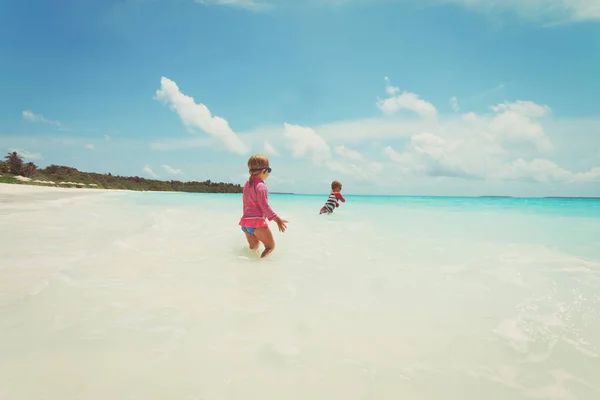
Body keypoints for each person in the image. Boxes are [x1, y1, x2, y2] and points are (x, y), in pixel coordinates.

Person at [239, 154, 288, 258]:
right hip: (257, 223)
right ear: (264, 171)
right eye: (269, 170)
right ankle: (260, 269)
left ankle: (249, 267)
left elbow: (245, 204)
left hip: (245, 223)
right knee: (270, 247)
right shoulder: (261, 187)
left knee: (254, 248)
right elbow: (264, 206)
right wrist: (278, 220)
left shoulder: (247, 185)